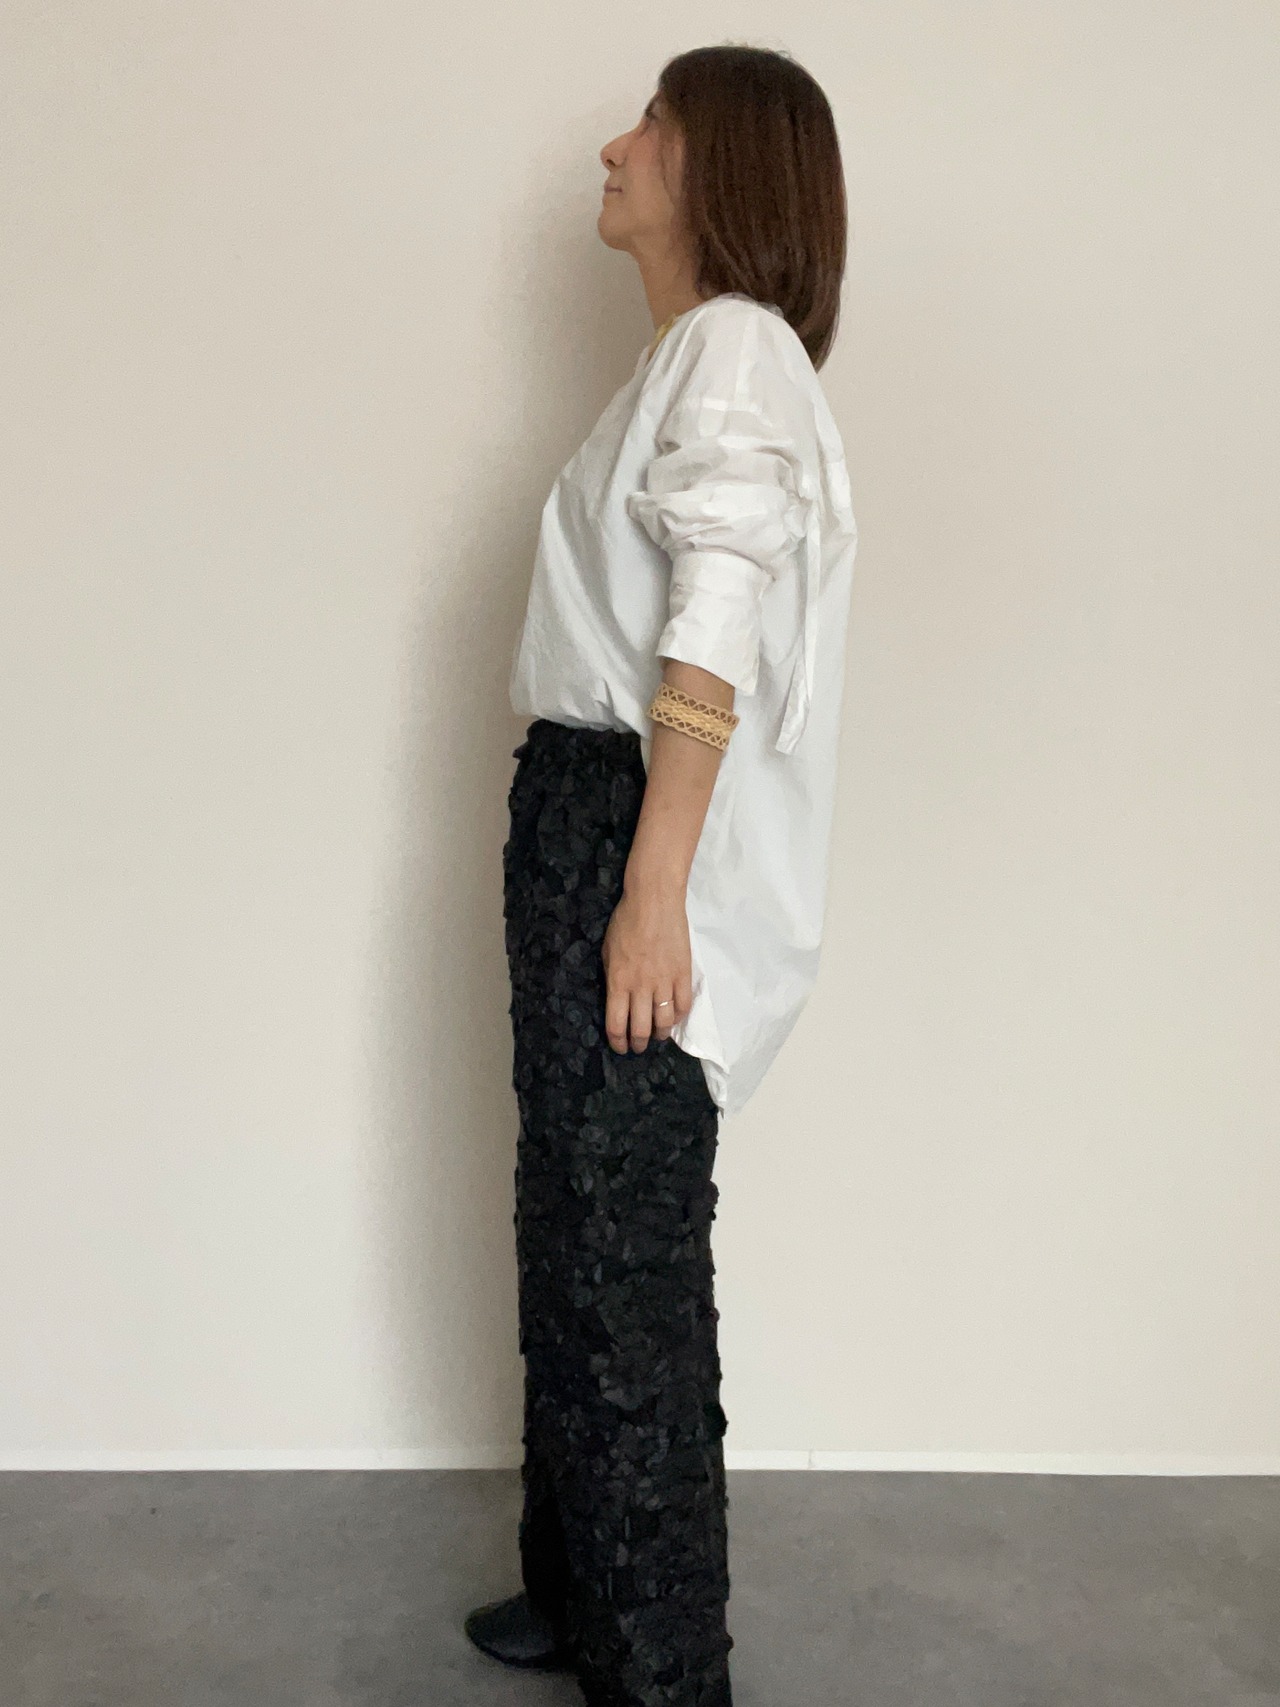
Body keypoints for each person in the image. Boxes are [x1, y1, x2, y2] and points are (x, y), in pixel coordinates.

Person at [465, 42, 858, 1707]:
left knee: (624, 1259)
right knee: (572, 1225)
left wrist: (650, 888)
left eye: (653, 126)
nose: (615, 149)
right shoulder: (692, 359)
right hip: (585, 814)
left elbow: (718, 619)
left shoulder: (734, 350)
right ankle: (583, 1589)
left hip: (630, 830)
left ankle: (661, 1671)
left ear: (720, 169)